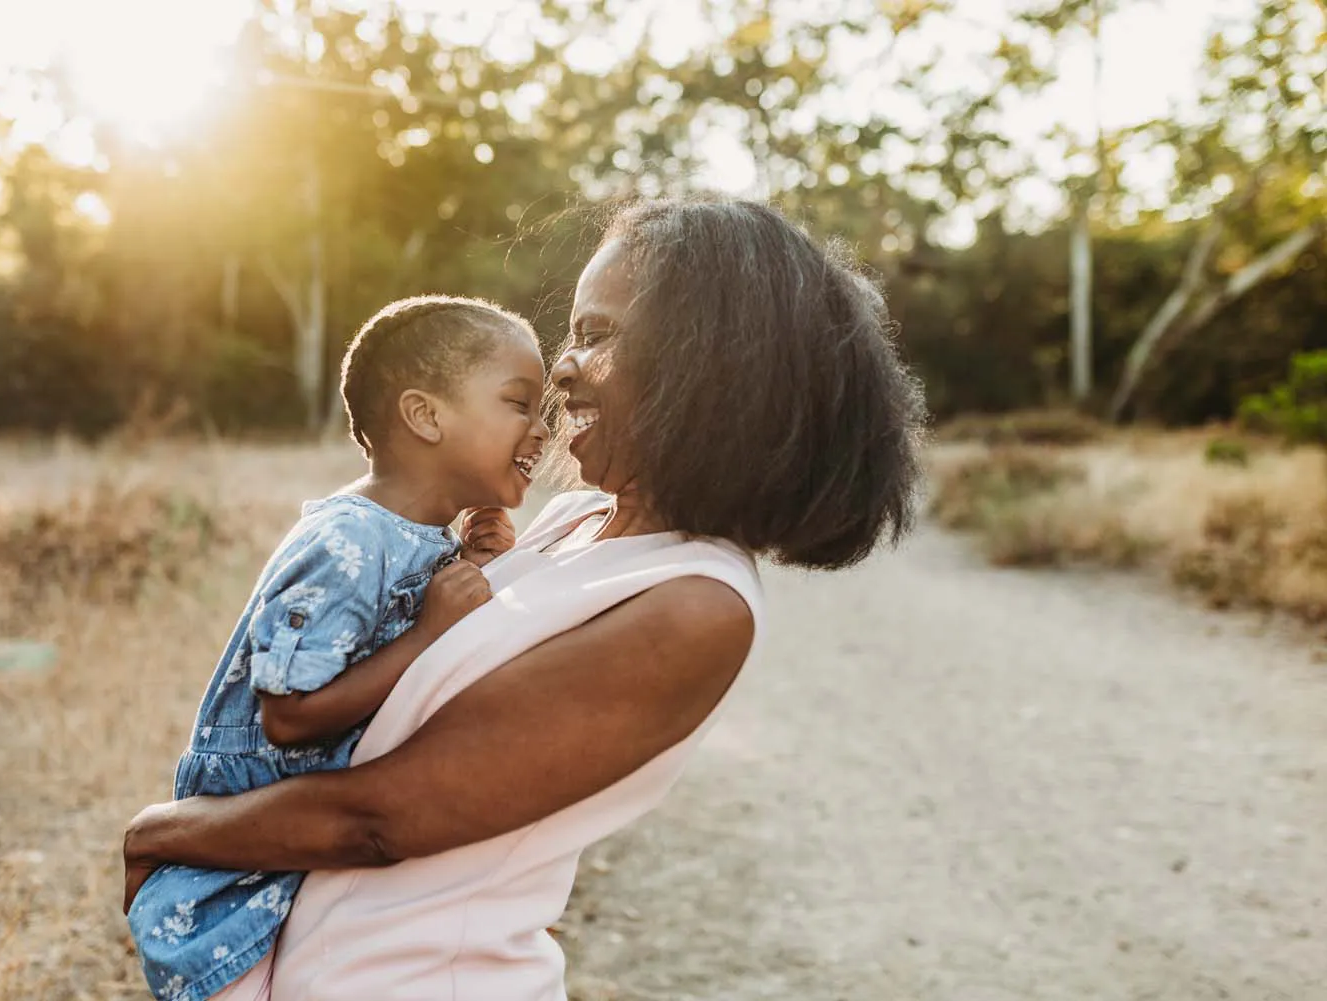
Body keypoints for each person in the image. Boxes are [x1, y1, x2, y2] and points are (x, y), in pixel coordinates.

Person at [123, 197, 927, 1001]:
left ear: (707, 363)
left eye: (598, 334)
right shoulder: (582, 516)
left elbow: (380, 819)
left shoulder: (695, 605)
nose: (565, 365)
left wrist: (161, 833)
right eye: (575, 331)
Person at [126, 295, 548, 1001]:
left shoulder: (417, 539)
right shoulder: (347, 541)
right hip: (234, 875)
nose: (542, 430)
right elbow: (288, 717)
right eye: (519, 402)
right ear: (425, 415)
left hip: (303, 852)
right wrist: (428, 632)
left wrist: (478, 569)